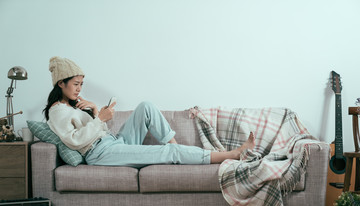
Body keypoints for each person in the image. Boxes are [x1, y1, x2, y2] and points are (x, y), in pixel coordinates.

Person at [43, 56, 255, 168]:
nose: (79, 89)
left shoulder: (72, 106)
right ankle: (232, 155)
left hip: (112, 142)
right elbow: (74, 141)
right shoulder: (57, 112)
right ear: (61, 83)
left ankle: (177, 147)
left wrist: (96, 111)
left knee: (146, 106)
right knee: (169, 154)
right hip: (100, 153)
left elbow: (96, 130)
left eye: (81, 84)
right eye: (76, 84)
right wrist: (99, 119)